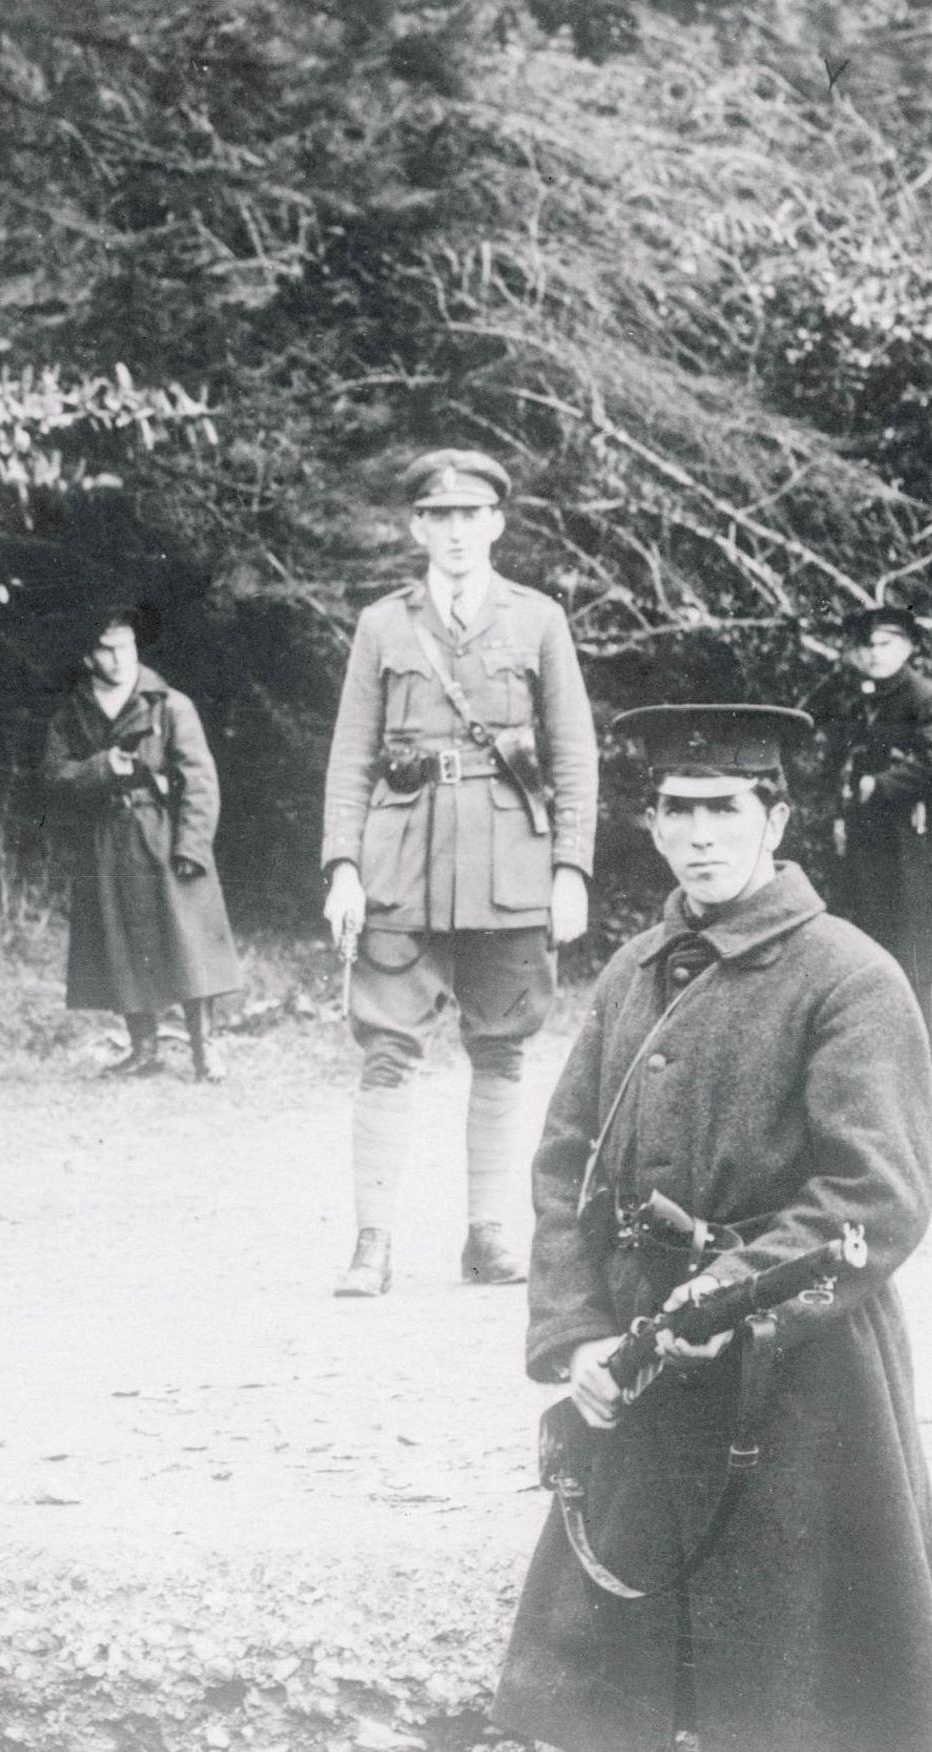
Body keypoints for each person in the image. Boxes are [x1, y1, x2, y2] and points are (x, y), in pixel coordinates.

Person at [493, 704, 932, 1752]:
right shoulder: (634, 971)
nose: (701, 834)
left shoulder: (851, 975)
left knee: (784, 1706)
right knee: (624, 1716)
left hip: (801, 1381)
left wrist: (727, 1297)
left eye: (726, 808)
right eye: (677, 811)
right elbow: (566, 1168)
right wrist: (578, 1341)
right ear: (651, 826)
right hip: (639, 1375)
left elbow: (874, 1197)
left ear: (776, 816)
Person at [319, 447, 601, 1297]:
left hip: (509, 865)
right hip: (399, 863)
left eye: (470, 516)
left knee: (503, 1050)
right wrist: (341, 867)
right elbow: (349, 757)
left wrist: (571, 870)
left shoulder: (539, 619)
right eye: (438, 517)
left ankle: (487, 1233)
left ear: (498, 524)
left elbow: (574, 754)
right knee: (386, 1051)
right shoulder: (382, 625)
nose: (454, 533)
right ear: (416, 527)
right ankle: (373, 1241)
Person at [41, 601, 243, 1080]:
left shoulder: (170, 705)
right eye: (107, 651)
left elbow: (200, 782)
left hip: (164, 835)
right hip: (106, 839)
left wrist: (193, 846)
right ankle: (144, 1049)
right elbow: (53, 777)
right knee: (120, 944)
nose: (119, 659)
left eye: (126, 647)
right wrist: (99, 768)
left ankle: (204, 1048)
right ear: (88, 658)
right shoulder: (73, 713)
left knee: (188, 943)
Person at [804, 603, 932, 1037]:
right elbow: (835, 765)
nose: (875, 654)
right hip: (864, 846)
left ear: (908, 647)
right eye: (865, 646)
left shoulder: (927, 700)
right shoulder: (856, 702)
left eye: (886, 643)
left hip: (912, 849)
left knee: (911, 963)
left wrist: (878, 786)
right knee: (863, 958)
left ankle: (917, 1067)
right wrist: (837, 812)